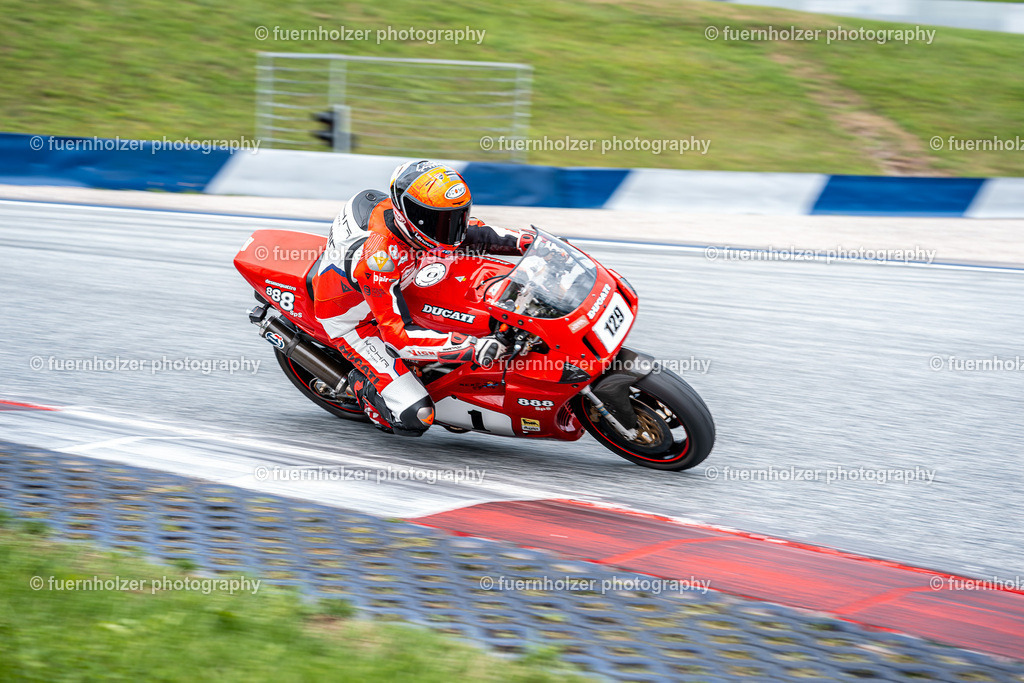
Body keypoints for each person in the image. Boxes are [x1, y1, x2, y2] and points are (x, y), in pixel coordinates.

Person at [310, 160, 533, 436]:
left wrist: (528, 242)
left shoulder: (416, 226)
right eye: (441, 222)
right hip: (357, 322)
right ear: (409, 216)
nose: (452, 230)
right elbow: (398, 338)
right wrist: (474, 348)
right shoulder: (379, 260)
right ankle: (363, 386)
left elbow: (475, 233)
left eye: (455, 218)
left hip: (398, 283)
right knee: (416, 415)